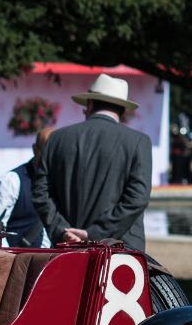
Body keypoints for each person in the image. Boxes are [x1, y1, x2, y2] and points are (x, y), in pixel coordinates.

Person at [32, 73, 152, 251]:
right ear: (123, 109)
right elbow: (137, 199)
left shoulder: (57, 139)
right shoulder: (137, 142)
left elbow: (41, 193)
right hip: (120, 250)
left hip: (67, 247)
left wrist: (62, 230)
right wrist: (94, 234)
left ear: (90, 104)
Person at [0, 127, 53, 248]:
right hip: (20, 263)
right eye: (46, 151)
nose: (51, 157)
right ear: (35, 150)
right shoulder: (11, 181)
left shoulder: (61, 183)